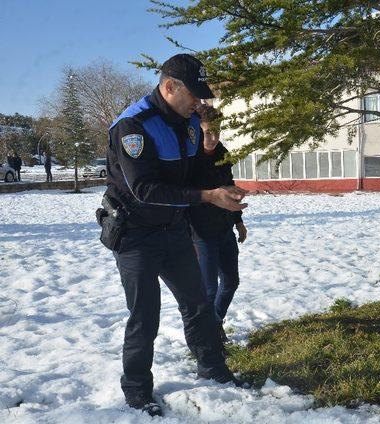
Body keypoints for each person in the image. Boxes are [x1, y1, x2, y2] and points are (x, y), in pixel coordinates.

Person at [101, 54, 248, 417]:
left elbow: (196, 172)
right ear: (169, 87)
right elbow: (145, 189)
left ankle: (213, 368)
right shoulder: (133, 127)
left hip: (174, 229)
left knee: (197, 303)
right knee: (144, 314)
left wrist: (213, 159)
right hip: (134, 234)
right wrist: (208, 197)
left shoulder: (190, 124)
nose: (199, 103)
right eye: (193, 95)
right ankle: (137, 390)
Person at [190, 105, 247, 345]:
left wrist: (239, 222)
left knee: (231, 282)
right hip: (201, 233)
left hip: (224, 229)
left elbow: (229, 184)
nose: (213, 138)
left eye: (217, 131)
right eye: (207, 132)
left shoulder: (223, 153)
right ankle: (206, 336)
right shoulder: (190, 157)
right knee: (209, 289)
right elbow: (188, 194)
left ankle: (214, 324)